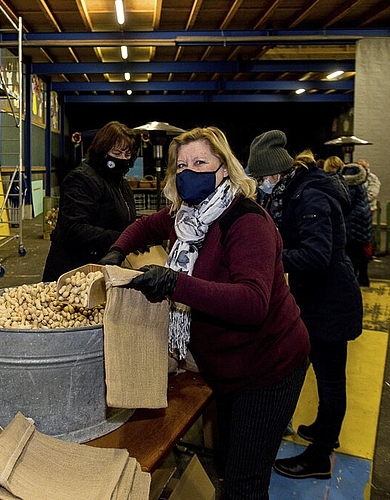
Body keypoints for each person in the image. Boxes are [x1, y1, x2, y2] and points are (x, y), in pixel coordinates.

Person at [99, 126, 310, 499]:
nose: (188, 173)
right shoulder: (187, 218)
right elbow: (144, 225)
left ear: (224, 168)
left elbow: (253, 303)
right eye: (181, 166)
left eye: (200, 162)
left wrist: (175, 284)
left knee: (244, 481)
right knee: (228, 460)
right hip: (226, 365)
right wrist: (118, 251)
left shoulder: (246, 222)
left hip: (267, 366)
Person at [247, 130, 363, 481]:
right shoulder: (294, 191)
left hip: (330, 301)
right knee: (310, 369)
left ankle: (320, 455)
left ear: (274, 174)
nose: (260, 185)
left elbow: (316, 254)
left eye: (260, 178)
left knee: (329, 380)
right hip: (315, 299)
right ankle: (323, 429)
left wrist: (271, 259)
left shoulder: (310, 196)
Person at [42, 121, 138, 282]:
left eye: (127, 155)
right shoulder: (82, 179)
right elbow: (74, 228)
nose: (123, 159)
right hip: (74, 271)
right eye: (117, 153)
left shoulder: (119, 182)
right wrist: (122, 237)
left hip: (101, 267)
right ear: (102, 151)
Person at [340, 160, 373, 286]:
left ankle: (355, 278)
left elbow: (346, 203)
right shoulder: (361, 185)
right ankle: (364, 277)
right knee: (360, 251)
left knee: (353, 253)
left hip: (353, 223)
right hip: (362, 222)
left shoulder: (351, 188)